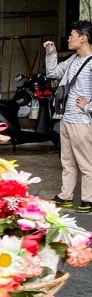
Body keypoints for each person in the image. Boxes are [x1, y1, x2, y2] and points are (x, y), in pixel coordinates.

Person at [45, 21, 92, 213]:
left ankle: (88, 199)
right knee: (67, 160)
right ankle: (66, 195)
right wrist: (51, 54)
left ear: (83, 37)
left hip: (82, 121)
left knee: (86, 162)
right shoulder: (73, 59)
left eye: (72, 35)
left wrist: (88, 106)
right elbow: (53, 73)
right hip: (66, 118)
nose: (69, 39)